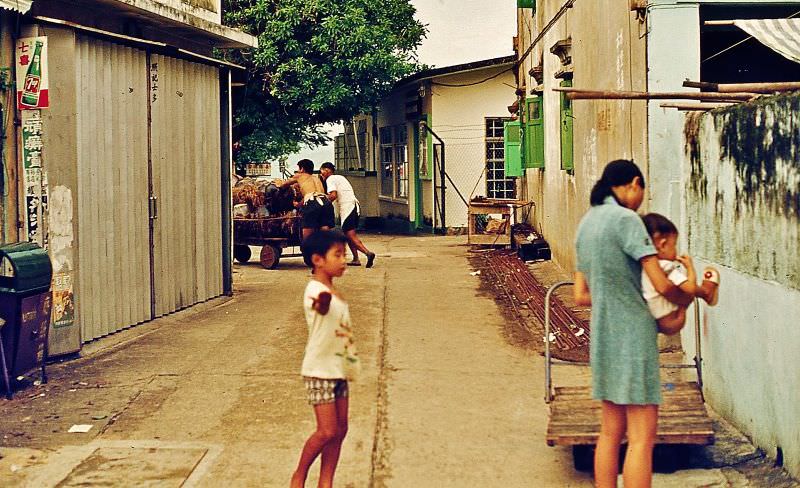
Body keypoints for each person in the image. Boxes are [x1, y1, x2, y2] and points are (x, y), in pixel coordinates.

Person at [573, 160, 694, 488]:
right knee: (641, 438)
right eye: (642, 190)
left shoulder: (587, 223)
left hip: (603, 335)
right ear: (634, 183)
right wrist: (691, 295)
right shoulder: (627, 221)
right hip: (634, 338)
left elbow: (581, 295)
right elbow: (664, 284)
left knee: (610, 433)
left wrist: (616, 296)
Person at [291, 230, 360, 488]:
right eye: (338, 255)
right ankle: (299, 475)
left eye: (344, 254)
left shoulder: (333, 289)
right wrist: (325, 300)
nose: (344, 260)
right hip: (318, 371)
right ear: (318, 260)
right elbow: (320, 306)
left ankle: (326, 482)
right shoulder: (315, 290)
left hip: (338, 369)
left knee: (341, 430)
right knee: (327, 431)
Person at [641, 213, 720, 335]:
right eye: (674, 245)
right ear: (662, 245)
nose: (675, 250)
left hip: (656, 321)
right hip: (674, 320)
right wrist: (689, 267)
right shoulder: (665, 266)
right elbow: (691, 288)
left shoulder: (643, 265)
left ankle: (706, 293)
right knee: (685, 291)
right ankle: (706, 292)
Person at [319, 162, 376, 268]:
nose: (321, 174)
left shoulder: (330, 179)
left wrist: (320, 204)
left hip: (347, 208)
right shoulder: (340, 177)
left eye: (322, 171)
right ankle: (355, 259)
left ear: (327, 170)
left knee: (350, 235)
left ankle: (368, 253)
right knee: (347, 233)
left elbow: (333, 196)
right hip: (353, 206)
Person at [278, 159, 336, 241]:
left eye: (299, 168)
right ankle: (325, 250)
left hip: (312, 203)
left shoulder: (299, 175)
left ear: (302, 169)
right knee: (324, 230)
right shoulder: (317, 178)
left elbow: (283, 185)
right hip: (326, 202)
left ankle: (308, 250)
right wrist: (298, 204)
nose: (298, 170)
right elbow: (312, 195)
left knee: (307, 235)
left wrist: (279, 187)